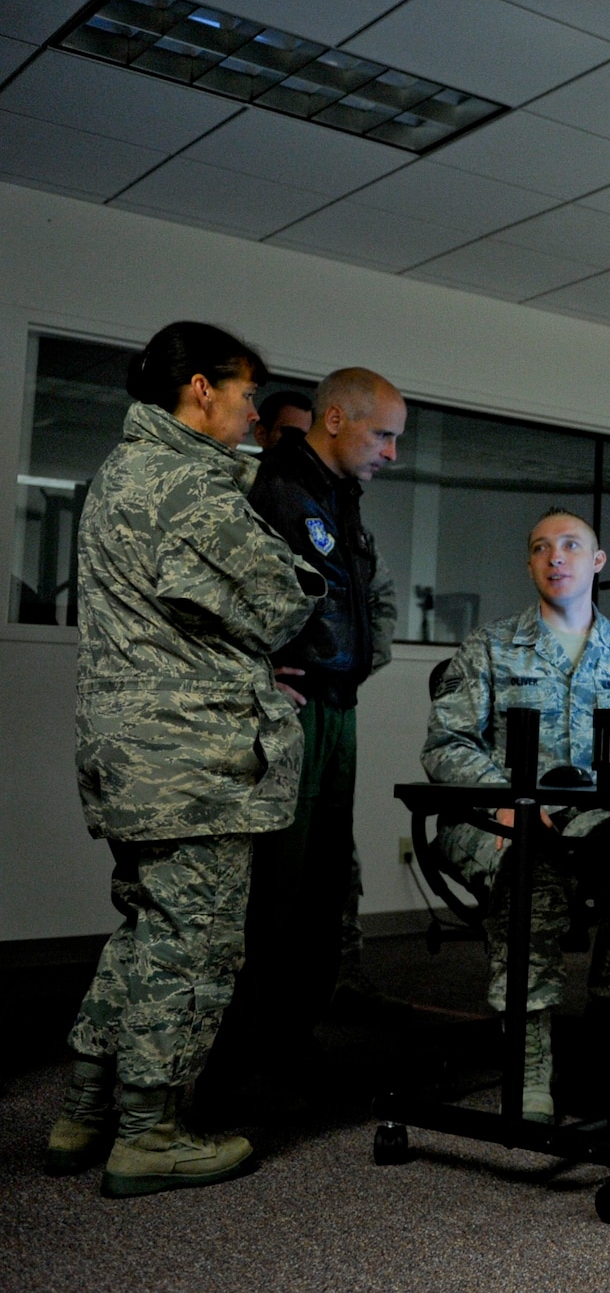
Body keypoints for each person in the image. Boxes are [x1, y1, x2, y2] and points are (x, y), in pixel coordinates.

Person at [48, 321, 323, 1196]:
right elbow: (280, 600)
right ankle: (151, 1134)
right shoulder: (184, 482)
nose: (253, 416)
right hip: (188, 760)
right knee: (193, 945)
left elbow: (182, 612)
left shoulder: (119, 473)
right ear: (198, 388)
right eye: (246, 397)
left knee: (143, 931)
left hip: (132, 748)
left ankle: (85, 1109)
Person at [422, 510, 610, 1122]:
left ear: (596, 561)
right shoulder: (491, 646)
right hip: (494, 820)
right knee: (534, 872)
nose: (554, 557)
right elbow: (445, 746)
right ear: (530, 564)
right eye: (540, 547)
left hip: (590, 824)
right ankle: (530, 1065)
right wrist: (505, 800)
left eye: (569, 546)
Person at [213, 369, 404, 1094]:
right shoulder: (271, 491)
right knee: (274, 895)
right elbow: (218, 600)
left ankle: (290, 1043)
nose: (391, 452)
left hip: (336, 708)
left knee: (324, 892)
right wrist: (254, 674)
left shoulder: (341, 500)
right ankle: (239, 1065)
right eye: (382, 434)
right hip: (289, 717)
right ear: (334, 420)